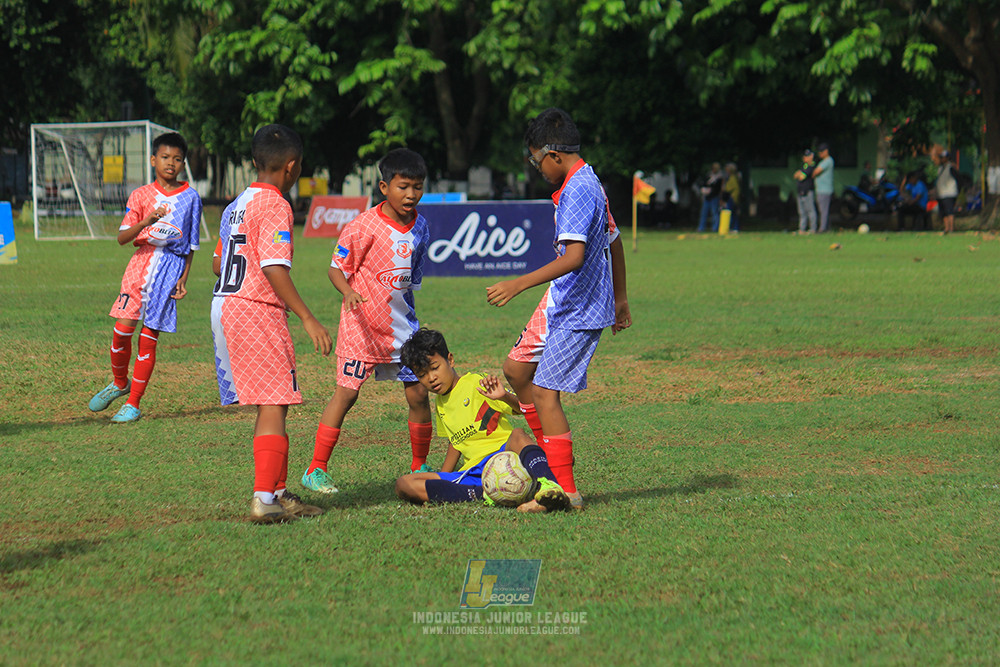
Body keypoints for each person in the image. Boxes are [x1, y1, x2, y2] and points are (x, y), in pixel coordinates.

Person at [484, 108, 632, 510]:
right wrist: (621, 298)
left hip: (579, 308)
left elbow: (574, 257)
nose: (536, 169)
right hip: (561, 299)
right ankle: (548, 462)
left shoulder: (578, 189)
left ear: (552, 154)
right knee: (516, 371)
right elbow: (615, 240)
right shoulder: (586, 181)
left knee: (546, 393)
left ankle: (563, 490)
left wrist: (517, 283)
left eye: (535, 161)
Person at [211, 124, 333, 524]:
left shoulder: (237, 203)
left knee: (274, 402)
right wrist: (308, 317)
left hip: (226, 304)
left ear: (254, 162)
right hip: (255, 309)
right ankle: (264, 499)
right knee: (272, 402)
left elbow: (217, 261)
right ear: (293, 166)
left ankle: (278, 493)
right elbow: (273, 265)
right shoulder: (277, 204)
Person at [301, 148, 433, 495]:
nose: (411, 194)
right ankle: (315, 469)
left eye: (417, 187)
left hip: (403, 329)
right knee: (346, 395)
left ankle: (420, 465)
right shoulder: (362, 227)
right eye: (403, 186)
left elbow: (411, 280)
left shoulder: (422, 226)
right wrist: (347, 292)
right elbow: (336, 269)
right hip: (361, 327)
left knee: (419, 393)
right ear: (384, 186)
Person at [89, 132, 202, 423]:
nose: (171, 164)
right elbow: (122, 238)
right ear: (153, 160)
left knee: (149, 338)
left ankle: (134, 403)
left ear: (183, 163)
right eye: (165, 157)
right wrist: (146, 221)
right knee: (121, 332)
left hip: (169, 270)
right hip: (139, 267)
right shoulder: (140, 195)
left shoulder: (191, 198)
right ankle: (118, 382)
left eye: (177, 159)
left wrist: (184, 278)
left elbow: (191, 245)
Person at [394, 328, 570, 512]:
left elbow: (524, 408)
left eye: (435, 368)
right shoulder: (440, 403)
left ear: (450, 360)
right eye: (422, 375)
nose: (431, 378)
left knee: (517, 434)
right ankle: (485, 492)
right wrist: (446, 475)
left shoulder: (477, 383)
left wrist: (503, 397)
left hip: (506, 455)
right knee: (404, 484)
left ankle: (549, 486)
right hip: (475, 471)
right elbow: (456, 442)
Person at [934, 150, 959, 234]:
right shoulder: (940, 168)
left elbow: (958, 179)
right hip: (941, 193)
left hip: (949, 192)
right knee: (943, 212)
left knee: (950, 211)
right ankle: (946, 228)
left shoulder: (951, 167)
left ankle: (951, 228)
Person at [794, 149, 818, 234]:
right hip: (800, 191)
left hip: (808, 191)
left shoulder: (811, 166)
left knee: (810, 210)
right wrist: (799, 174)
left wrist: (799, 174)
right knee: (802, 212)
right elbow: (796, 175)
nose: (805, 158)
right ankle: (802, 229)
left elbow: (801, 176)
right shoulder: (804, 166)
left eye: (808, 156)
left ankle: (813, 229)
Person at [813, 143, 835, 232]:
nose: (820, 154)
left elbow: (816, 172)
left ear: (826, 151)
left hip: (824, 190)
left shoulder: (828, 161)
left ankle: (823, 229)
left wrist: (813, 173)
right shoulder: (822, 161)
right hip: (820, 189)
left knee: (823, 210)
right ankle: (826, 227)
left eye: (821, 152)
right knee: (823, 210)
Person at [696, 162, 724, 232]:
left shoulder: (719, 177)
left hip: (714, 197)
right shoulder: (709, 175)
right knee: (703, 213)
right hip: (707, 197)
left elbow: (718, 188)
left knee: (714, 213)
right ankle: (701, 227)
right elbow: (704, 184)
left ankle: (715, 228)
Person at [722, 162, 740, 232]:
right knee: (734, 213)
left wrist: (724, 187)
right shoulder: (735, 177)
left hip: (732, 198)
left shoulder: (732, 178)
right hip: (733, 198)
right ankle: (735, 228)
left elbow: (730, 188)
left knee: (731, 213)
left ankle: (733, 228)